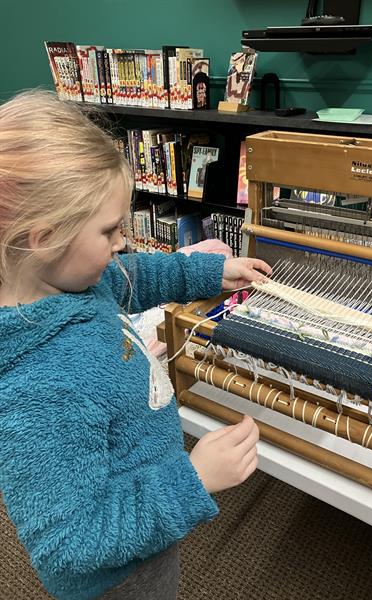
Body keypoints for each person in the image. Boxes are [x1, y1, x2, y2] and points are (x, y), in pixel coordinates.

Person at [0, 90, 272, 600]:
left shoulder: (71, 278)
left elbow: (135, 275)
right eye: (109, 231)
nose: (122, 242)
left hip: (145, 518)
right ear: (43, 237)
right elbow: (68, 542)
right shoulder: (38, 387)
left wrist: (212, 270)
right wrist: (191, 480)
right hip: (115, 578)